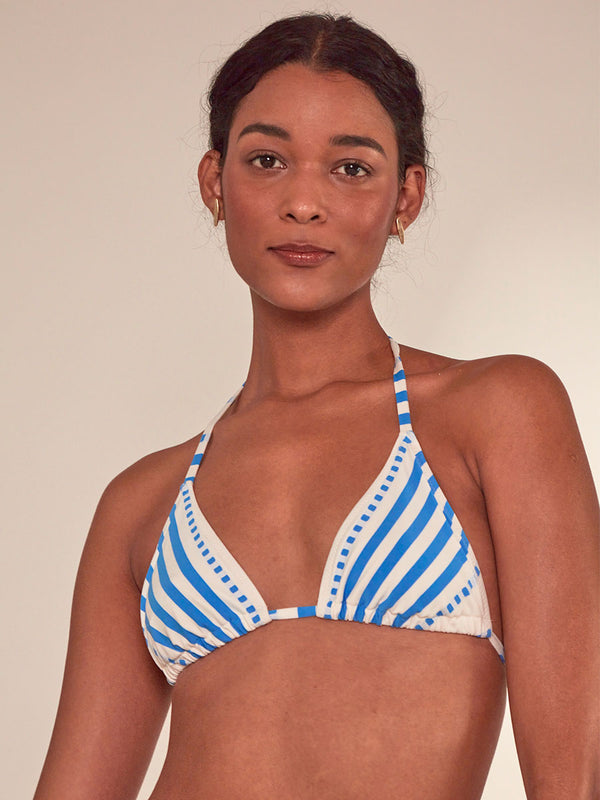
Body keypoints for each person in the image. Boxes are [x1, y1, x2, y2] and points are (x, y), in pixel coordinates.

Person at [33, 12, 599, 800]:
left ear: (407, 195)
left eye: (351, 168)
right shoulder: (142, 505)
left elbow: (576, 773)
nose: (304, 202)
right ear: (214, 184)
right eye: (267, 159)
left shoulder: (497, 411)